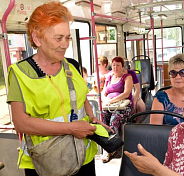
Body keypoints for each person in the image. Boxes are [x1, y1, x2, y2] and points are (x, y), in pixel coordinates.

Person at [6, 2, 110, 176]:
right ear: (37, 39)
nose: (65, 44)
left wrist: (92, 119)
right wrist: (71, 128)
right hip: (45, 162)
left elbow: (82, 100)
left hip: (82, 156)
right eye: (58, 38)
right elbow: (20, 122)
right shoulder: (19, 73)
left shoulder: (74, 67)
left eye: (68, 37)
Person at [101, 56, 133, 163]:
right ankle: (106, 146)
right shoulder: (109, 78)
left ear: (122, 66)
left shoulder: (127, 77)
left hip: (123, 106)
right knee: (103, 120)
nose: (115, 67)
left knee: (113, 120)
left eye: (118, 65)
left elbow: (126, 93)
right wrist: (105, 99)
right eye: (114, 65)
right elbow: (104, 92)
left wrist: (113, 100)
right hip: (109, 106)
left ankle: (111, 147)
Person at [150, 54, 184, 125]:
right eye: (173, 73)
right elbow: (154, 131)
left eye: (183, 72)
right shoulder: (161, 98)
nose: (178, 77)